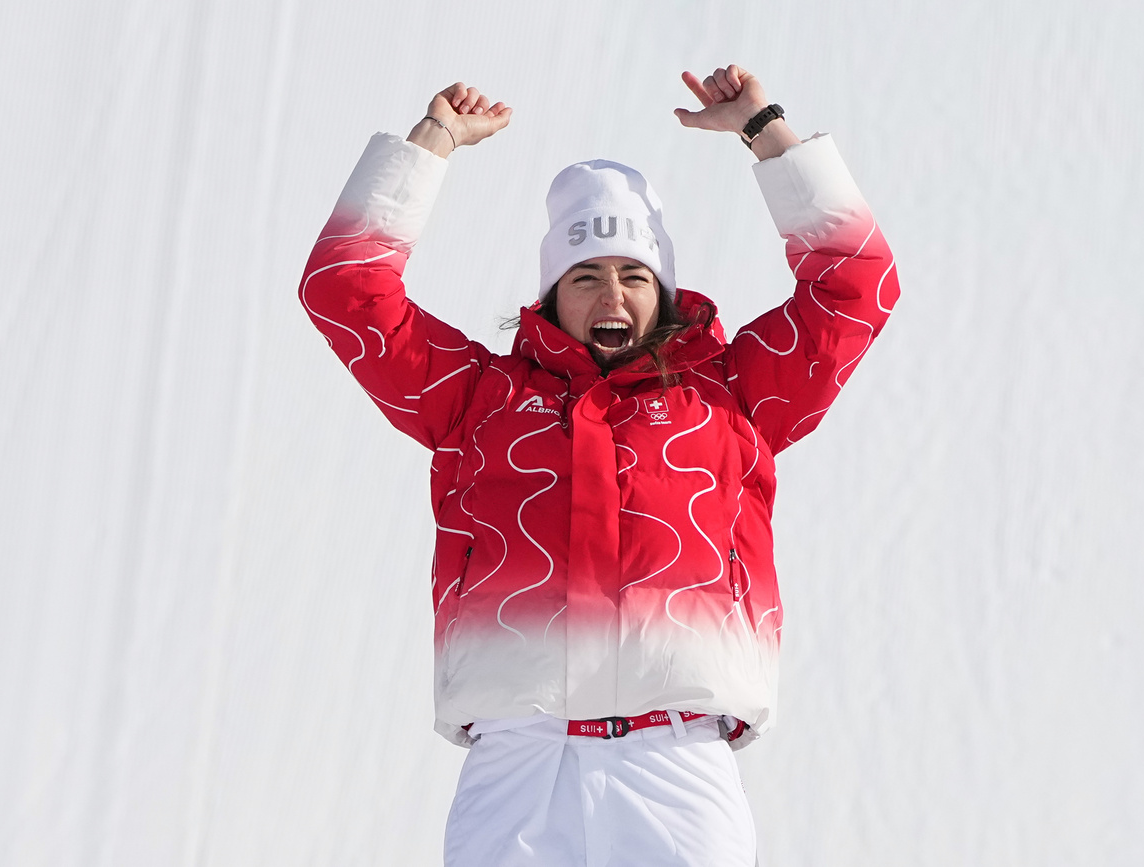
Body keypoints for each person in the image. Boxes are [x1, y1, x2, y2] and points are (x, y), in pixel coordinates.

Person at [299, 65, 898, 867]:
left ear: (664, 294)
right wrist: (432, 141)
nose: (611, 292)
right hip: (519, 762)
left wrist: (768, 133)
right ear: (549, 297)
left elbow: (856, 287)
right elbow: (345, 291)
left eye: (632, 274)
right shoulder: (478, 399)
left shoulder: (733, 395)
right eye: (584, 275)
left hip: (677, 761)